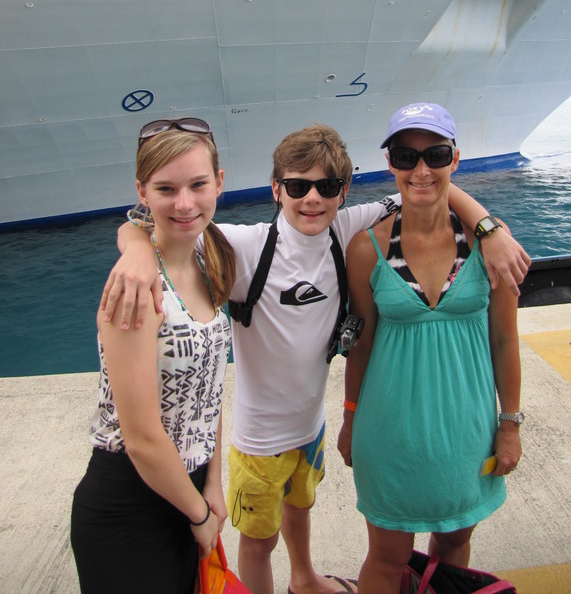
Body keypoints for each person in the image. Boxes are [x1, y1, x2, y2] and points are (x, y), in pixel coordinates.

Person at [101, 123, 530, 594]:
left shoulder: (342, 228)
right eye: (297, 186)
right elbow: (164, 227)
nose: (312, 199)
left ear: (343, 193)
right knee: (258, 542)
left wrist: (488, 227)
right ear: (275, 189)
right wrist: (136, 247)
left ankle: (303, 578)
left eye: (326, 188)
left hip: (311, 428)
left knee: (300, 509)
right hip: (258, 440)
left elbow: (428, 185)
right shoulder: (244, 246)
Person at [337, 103, 523, 594]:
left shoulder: (488, 245)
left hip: (467, 433)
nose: (421, 170)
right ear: (390, 165)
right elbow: (362, 345)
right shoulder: (367, 249)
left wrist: (510, 424)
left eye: (435, 155)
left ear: (454, 159)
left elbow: (505, 340)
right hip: (389, 433)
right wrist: (350, 419)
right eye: (406, 156)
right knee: (386, 556)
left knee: (454, 546)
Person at [70, 118, 236, 594]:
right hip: (130, 508)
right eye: (166, 189)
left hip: (188, 492)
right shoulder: (136, 290)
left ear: (219, 182)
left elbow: (207, 392)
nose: (184, 203)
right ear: (142, 191)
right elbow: (141, 439)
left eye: (198, 185)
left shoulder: (209, 257)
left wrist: (212, 483)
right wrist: (199, 513)